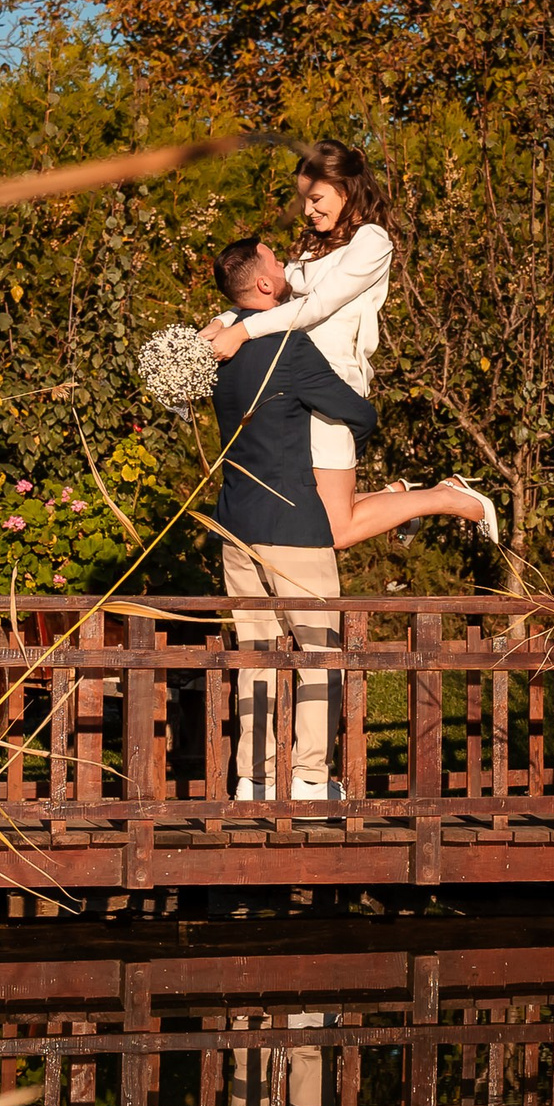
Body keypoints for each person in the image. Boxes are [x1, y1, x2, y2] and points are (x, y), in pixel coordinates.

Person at [202, 139, 499, 547]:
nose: (308, 210)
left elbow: (319, 306)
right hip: (293, 390)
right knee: (316, 511)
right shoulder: (311, 245)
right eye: (304, 200)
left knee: (335, 531)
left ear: (346, 188)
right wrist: (220, 321)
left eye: (316, 198)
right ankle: (400, 495)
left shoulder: (371, 243)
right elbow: (272, 292)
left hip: (332, 386)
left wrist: (240, 332)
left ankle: (445, 498)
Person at [210, 237, 377, 802]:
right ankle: (307, 777)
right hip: (293, 522)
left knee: (254, 656)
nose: (286, 269)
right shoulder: (286, 345)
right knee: (318, 653)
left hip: (235, 520)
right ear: (263, 284)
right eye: (277, 263)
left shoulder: (213, 345)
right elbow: (357, 411)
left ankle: (253, 779)